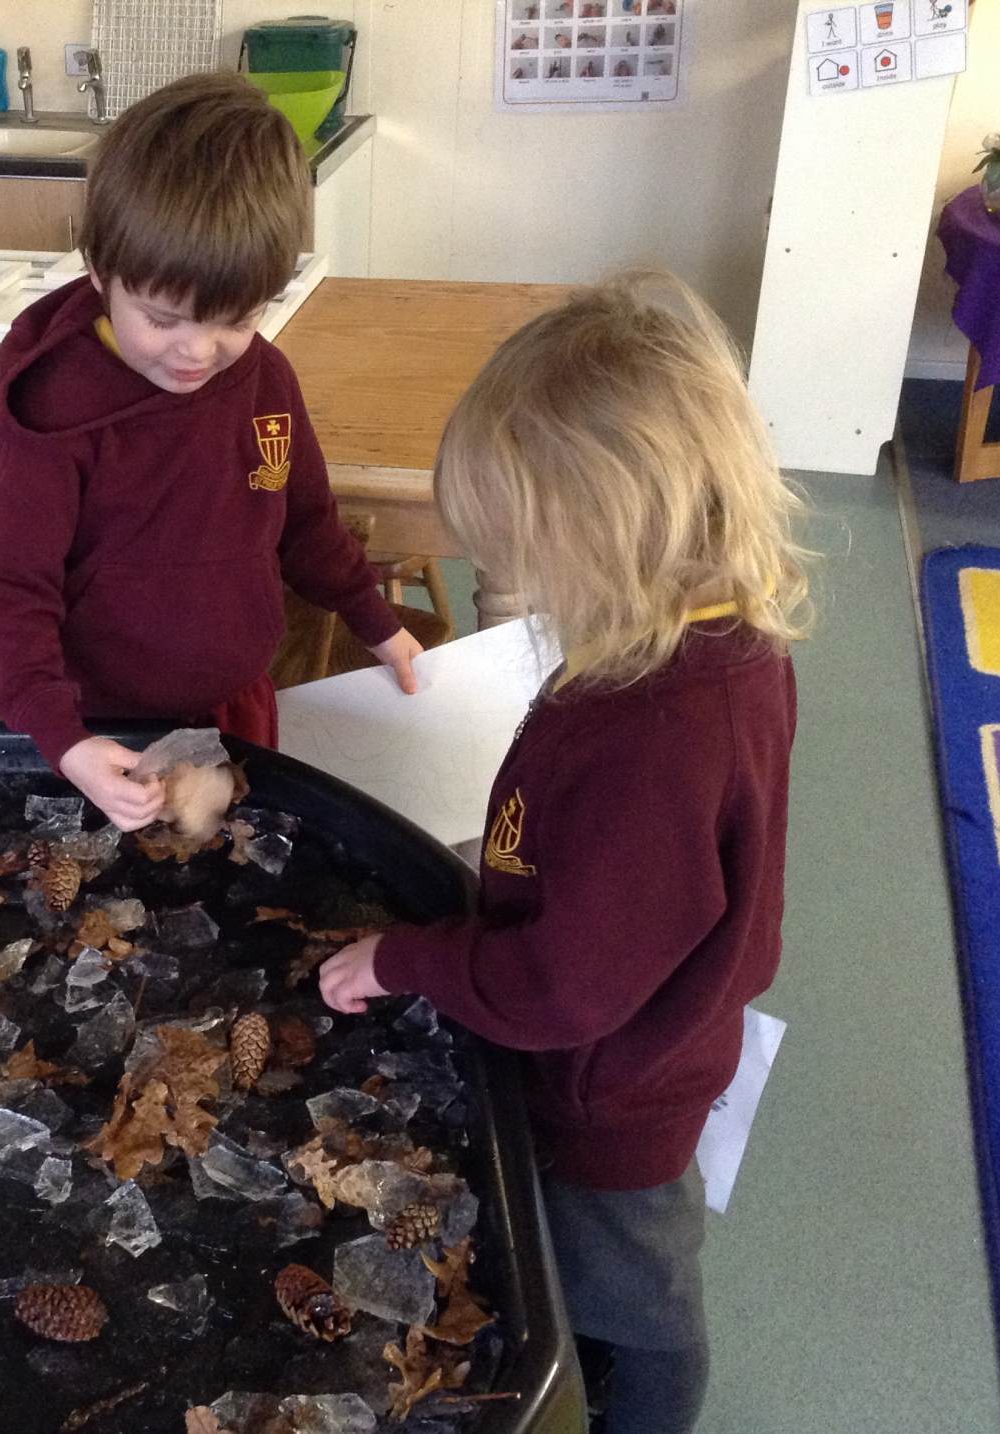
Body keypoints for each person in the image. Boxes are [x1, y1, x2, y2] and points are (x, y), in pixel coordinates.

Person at [317, 272, 811, 1434]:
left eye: (529, 553)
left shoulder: (659, 735)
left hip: (612, 1094)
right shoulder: (706, 643)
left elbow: (566, 989)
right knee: (600, 1278)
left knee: (636, 1305)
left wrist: (407, 958)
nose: (516, 583)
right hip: (641, 1031)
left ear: (613, 531)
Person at [0, 72, 423, 831]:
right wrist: (64, 738)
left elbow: (306, 524)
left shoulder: (266, 382)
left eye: (237, 320)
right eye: (163, 319)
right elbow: (14, 588)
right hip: (102, 728)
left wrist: (373, 619)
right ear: (99, 271)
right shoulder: (56, 412)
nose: (198, 352)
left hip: (236, 705)